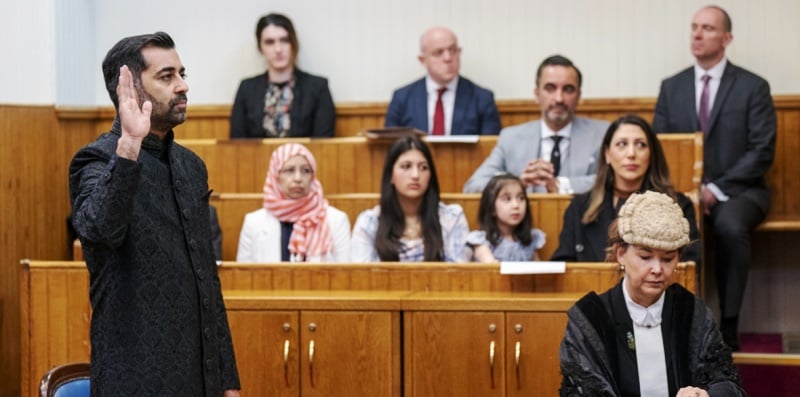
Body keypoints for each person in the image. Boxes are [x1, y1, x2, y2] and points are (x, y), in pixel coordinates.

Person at [69, 32, 240, 396]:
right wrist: (129, 144)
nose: (183, 86)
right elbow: (100, 231)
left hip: (200, 379)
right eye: (167, 76)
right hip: (134, 380)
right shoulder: (95, 159)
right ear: (127, 89)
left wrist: (227, 379)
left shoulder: (192, 167)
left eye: (182, 73)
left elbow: (206, 281)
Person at [652, 5, 776, 350]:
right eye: (694, 27)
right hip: (682, 193)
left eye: (707, 28)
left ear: (727, 37)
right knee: (670, 228)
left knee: (729, 227)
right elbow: (659, 146)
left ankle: (730, 325)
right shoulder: (671, 87)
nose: (697, 33)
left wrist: (715, 190)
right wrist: (689, 193)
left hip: (741, 192)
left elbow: (762, 151)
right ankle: (683, 326)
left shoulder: (753, 86)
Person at [559, 191, 745, 397]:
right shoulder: (590, 319)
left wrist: (707, 395)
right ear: (621, 253)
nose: (657, 269)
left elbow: (727, 382)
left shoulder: (691, 313)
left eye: (667, 259)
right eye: (645, 257)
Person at [552, 115, 701, 264]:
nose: (631, 154)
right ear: (607, 154)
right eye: (622, 144)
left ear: (651, 155)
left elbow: (689, 269)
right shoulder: (580, 207)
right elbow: (564, 268)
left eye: (641, 145)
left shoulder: (677, 206)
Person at [463, 55, 608, 194]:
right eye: (550, 88)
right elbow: (473, 186)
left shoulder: (602, 135)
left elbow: (616, 180)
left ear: (578, 96)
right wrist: (516, 184)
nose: (559, 98)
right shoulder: (511, 138)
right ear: (537, 94)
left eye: (568, 89)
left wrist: (562, 185)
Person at [351, 136, 469, 262]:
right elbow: (360, 277)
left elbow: (458, 275)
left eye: (423, 167)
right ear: (391, 175)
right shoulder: (369, 223)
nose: (415, 175)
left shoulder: (452, 218)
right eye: (406, 167)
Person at [236, 143, 350, 262]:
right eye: (289, 170)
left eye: (306, 170)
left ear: (313, 176)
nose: (298, 178)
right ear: (276, 176)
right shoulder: (253, 222)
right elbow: (244, 276)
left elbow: (344, 274)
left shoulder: (336, 220)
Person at [230, 13, 335, 138]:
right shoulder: (246, 88)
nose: (278, 49)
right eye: (270, 42)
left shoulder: (318, 87)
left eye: (284, 40)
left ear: (293, 43)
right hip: (255, 158)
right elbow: (237, 143)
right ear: (260, 47)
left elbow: (324, 144)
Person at [384, 26, 501, 135]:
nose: (448, 58)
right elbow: (391, 149)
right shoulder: (402, 98)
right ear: (423, 60)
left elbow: (490, 147)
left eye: (453, 50)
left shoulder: (482, 98)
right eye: (438, 53)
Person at [467, 173, 546, 262]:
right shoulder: (482, 242)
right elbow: (492, 272)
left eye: (521, 198)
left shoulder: (531, 240)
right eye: (507, 199)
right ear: (491, 207)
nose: (516, 205)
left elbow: (538, 273)